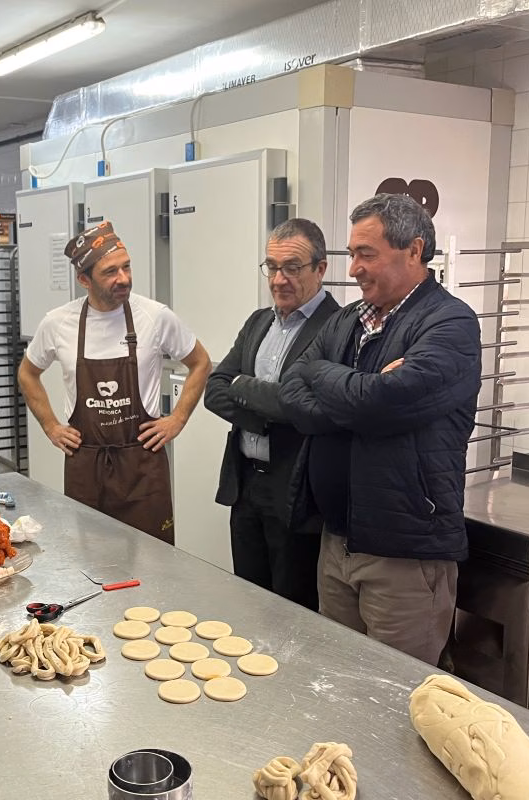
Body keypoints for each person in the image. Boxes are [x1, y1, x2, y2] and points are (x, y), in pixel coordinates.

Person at [279, 194, 481, 666]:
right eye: (352, 254)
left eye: (366, 254)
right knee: (339, 683)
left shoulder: (450, 323)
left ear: (414, 250)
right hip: (336, 541)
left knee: (396, 696)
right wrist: (357, 395)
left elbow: (382, 402)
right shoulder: (349, 319)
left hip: (404, 554)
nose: (353, 269)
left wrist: (340, 386)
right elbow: (293, 387)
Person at [18, 221, 211, 544]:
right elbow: (28, 372)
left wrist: (177, 419)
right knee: (91, 562)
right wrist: (51, 426)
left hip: (142, 467)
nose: (123, 279)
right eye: (110, 272)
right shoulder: (58, 323)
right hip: (86, 465)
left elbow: (200, 362)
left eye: (126, 267)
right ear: (84, 280)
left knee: (156, 565)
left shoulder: (155, 316)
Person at [204, 218, 340, 608]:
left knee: (293, 612)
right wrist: (268, 418)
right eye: (272, 267)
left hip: (295, 492)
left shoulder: (336, 327)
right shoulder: (259, 321)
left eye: (292, 267)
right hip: (245, 484)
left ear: (321, 269)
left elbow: (304, 406)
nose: (279, 279)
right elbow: (215, 389)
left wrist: (244, 388)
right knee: (248, 601)